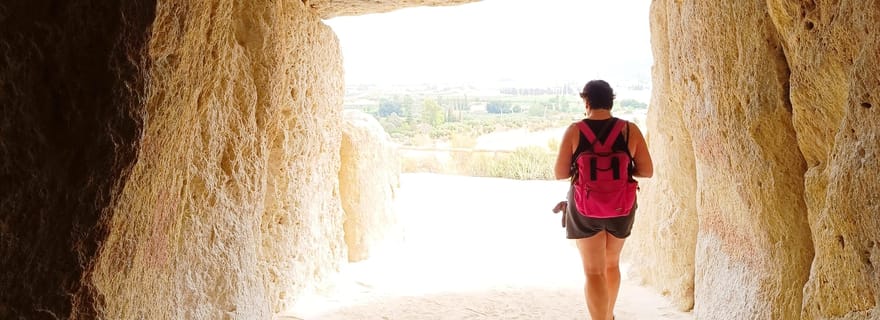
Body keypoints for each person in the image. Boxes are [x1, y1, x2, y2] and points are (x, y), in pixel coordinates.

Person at [552, 80, 653, 320]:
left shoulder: (575, 130)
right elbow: (646, 171)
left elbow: (560, 173)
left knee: (594, 271)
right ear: (611, 101)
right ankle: (608, 316)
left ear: (586, 101)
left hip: (585, 210)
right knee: (611, 265)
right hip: (621, 207)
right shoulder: (629, 130)